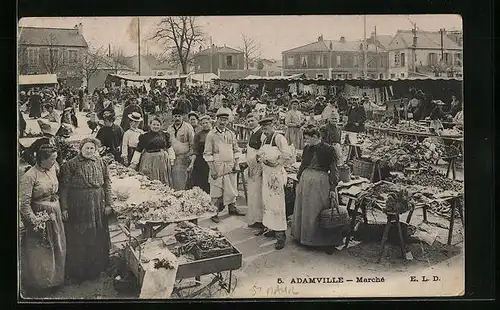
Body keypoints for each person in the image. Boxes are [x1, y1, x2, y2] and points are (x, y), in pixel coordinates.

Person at [59, 138, 113, 284]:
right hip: (78, 204)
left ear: (96, 150)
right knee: (79, 235)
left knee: (97, 234)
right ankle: (78, 272)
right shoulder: (70, 165)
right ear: (80, 148)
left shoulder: (101, 162)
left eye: (92, 148)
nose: (89, 151)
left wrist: (109, 204)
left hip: (97, 203)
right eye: (87, 148)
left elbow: (107, 183)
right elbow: (64, 188)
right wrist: (64, 208)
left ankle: (96, 268)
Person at [20, 145, 66, 296]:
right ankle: (41, 285)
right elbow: (24, 204)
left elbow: (55, 185)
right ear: (42, 159)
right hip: (40, 215)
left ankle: (56, 280)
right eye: (52, 158)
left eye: (55, 157)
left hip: (54, 212)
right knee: (43, 250)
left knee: (57, 245)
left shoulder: (53, 168)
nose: (55, 161)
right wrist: (35, 222)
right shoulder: (30, 176)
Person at [291, 128, 340, 254]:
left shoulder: (328, 149)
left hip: (320, 182)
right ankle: (304, 237)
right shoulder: (307, 149)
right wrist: (298, 177)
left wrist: (333, 187)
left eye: (307, 138)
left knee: (318, 210)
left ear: (315, 136)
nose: (306, 141)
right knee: (305, 209)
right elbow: (303, 164)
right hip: (305, 182)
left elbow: (334, 169)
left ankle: (321, 241)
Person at [254, 117, 294, 250]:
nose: (265, 131)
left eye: (266, 128)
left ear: (273, 125)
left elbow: (287, 154)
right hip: (267, 174)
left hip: (276, 175)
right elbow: (261, 152)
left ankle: (280, 235)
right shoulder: (265, 139)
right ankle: (271, 227)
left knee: (277, 205)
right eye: (263, 129)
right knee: (268, 203)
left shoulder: (279, 138)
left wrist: (277, 163)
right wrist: (259, 158)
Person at [203, 107, 245, 223]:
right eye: (221, 120)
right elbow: (207, 153)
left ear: (228, 121)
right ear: (216, 120)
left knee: (232, 187)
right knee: (216, 189)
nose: (222, 122)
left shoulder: (231, 134)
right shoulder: (211, 135)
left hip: (230, 165)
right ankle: (214, 212)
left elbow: (236, 150)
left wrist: (236, 164)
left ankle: (232, 208)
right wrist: (212, 170)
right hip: (217, 165)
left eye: (225, 120)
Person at [130, 117, 175, 185]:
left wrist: (172, 159)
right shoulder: (144, 136)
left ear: (160, 126)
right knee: (149, 178)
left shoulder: (164, 135)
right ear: (150, 125)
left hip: (161, 160)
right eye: (154, 124)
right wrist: (134, 163)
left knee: (162, 179)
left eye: (158, 125)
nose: (155, 126)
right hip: (149, 160)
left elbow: (169, 147)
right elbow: (138, 150)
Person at [166, 108, 195, 190]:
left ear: (182, 117)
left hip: (184, 157)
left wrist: (189, 157)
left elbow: (193, 144)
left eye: (179, 116)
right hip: (172, 158)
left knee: (181, 180)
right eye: (175, 116)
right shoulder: (170, 128)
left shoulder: (188, 127)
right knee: (172, 179)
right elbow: (167, 143)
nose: (177, 118)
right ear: (172, 117)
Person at [245, 113, 264, 229]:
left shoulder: (261, 133)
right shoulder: (252, 133)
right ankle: (256, 218)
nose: (250, 123)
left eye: (252, 120)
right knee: (253, 193)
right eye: (248, 121)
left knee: (258, 193)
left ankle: (260, 220)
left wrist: (257, 164)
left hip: (258, 167)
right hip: (251, 166)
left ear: (257, 120)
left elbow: (262, 151)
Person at [186, 115, 212, 193]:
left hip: (212, 160)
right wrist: (192, 163)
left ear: (210, 123)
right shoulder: (198, 135)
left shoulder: (214, 133)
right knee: (200, 181)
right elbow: (195, 150)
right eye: (203, 123)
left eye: (207, 123)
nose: (205, 125)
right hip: (201, 161)